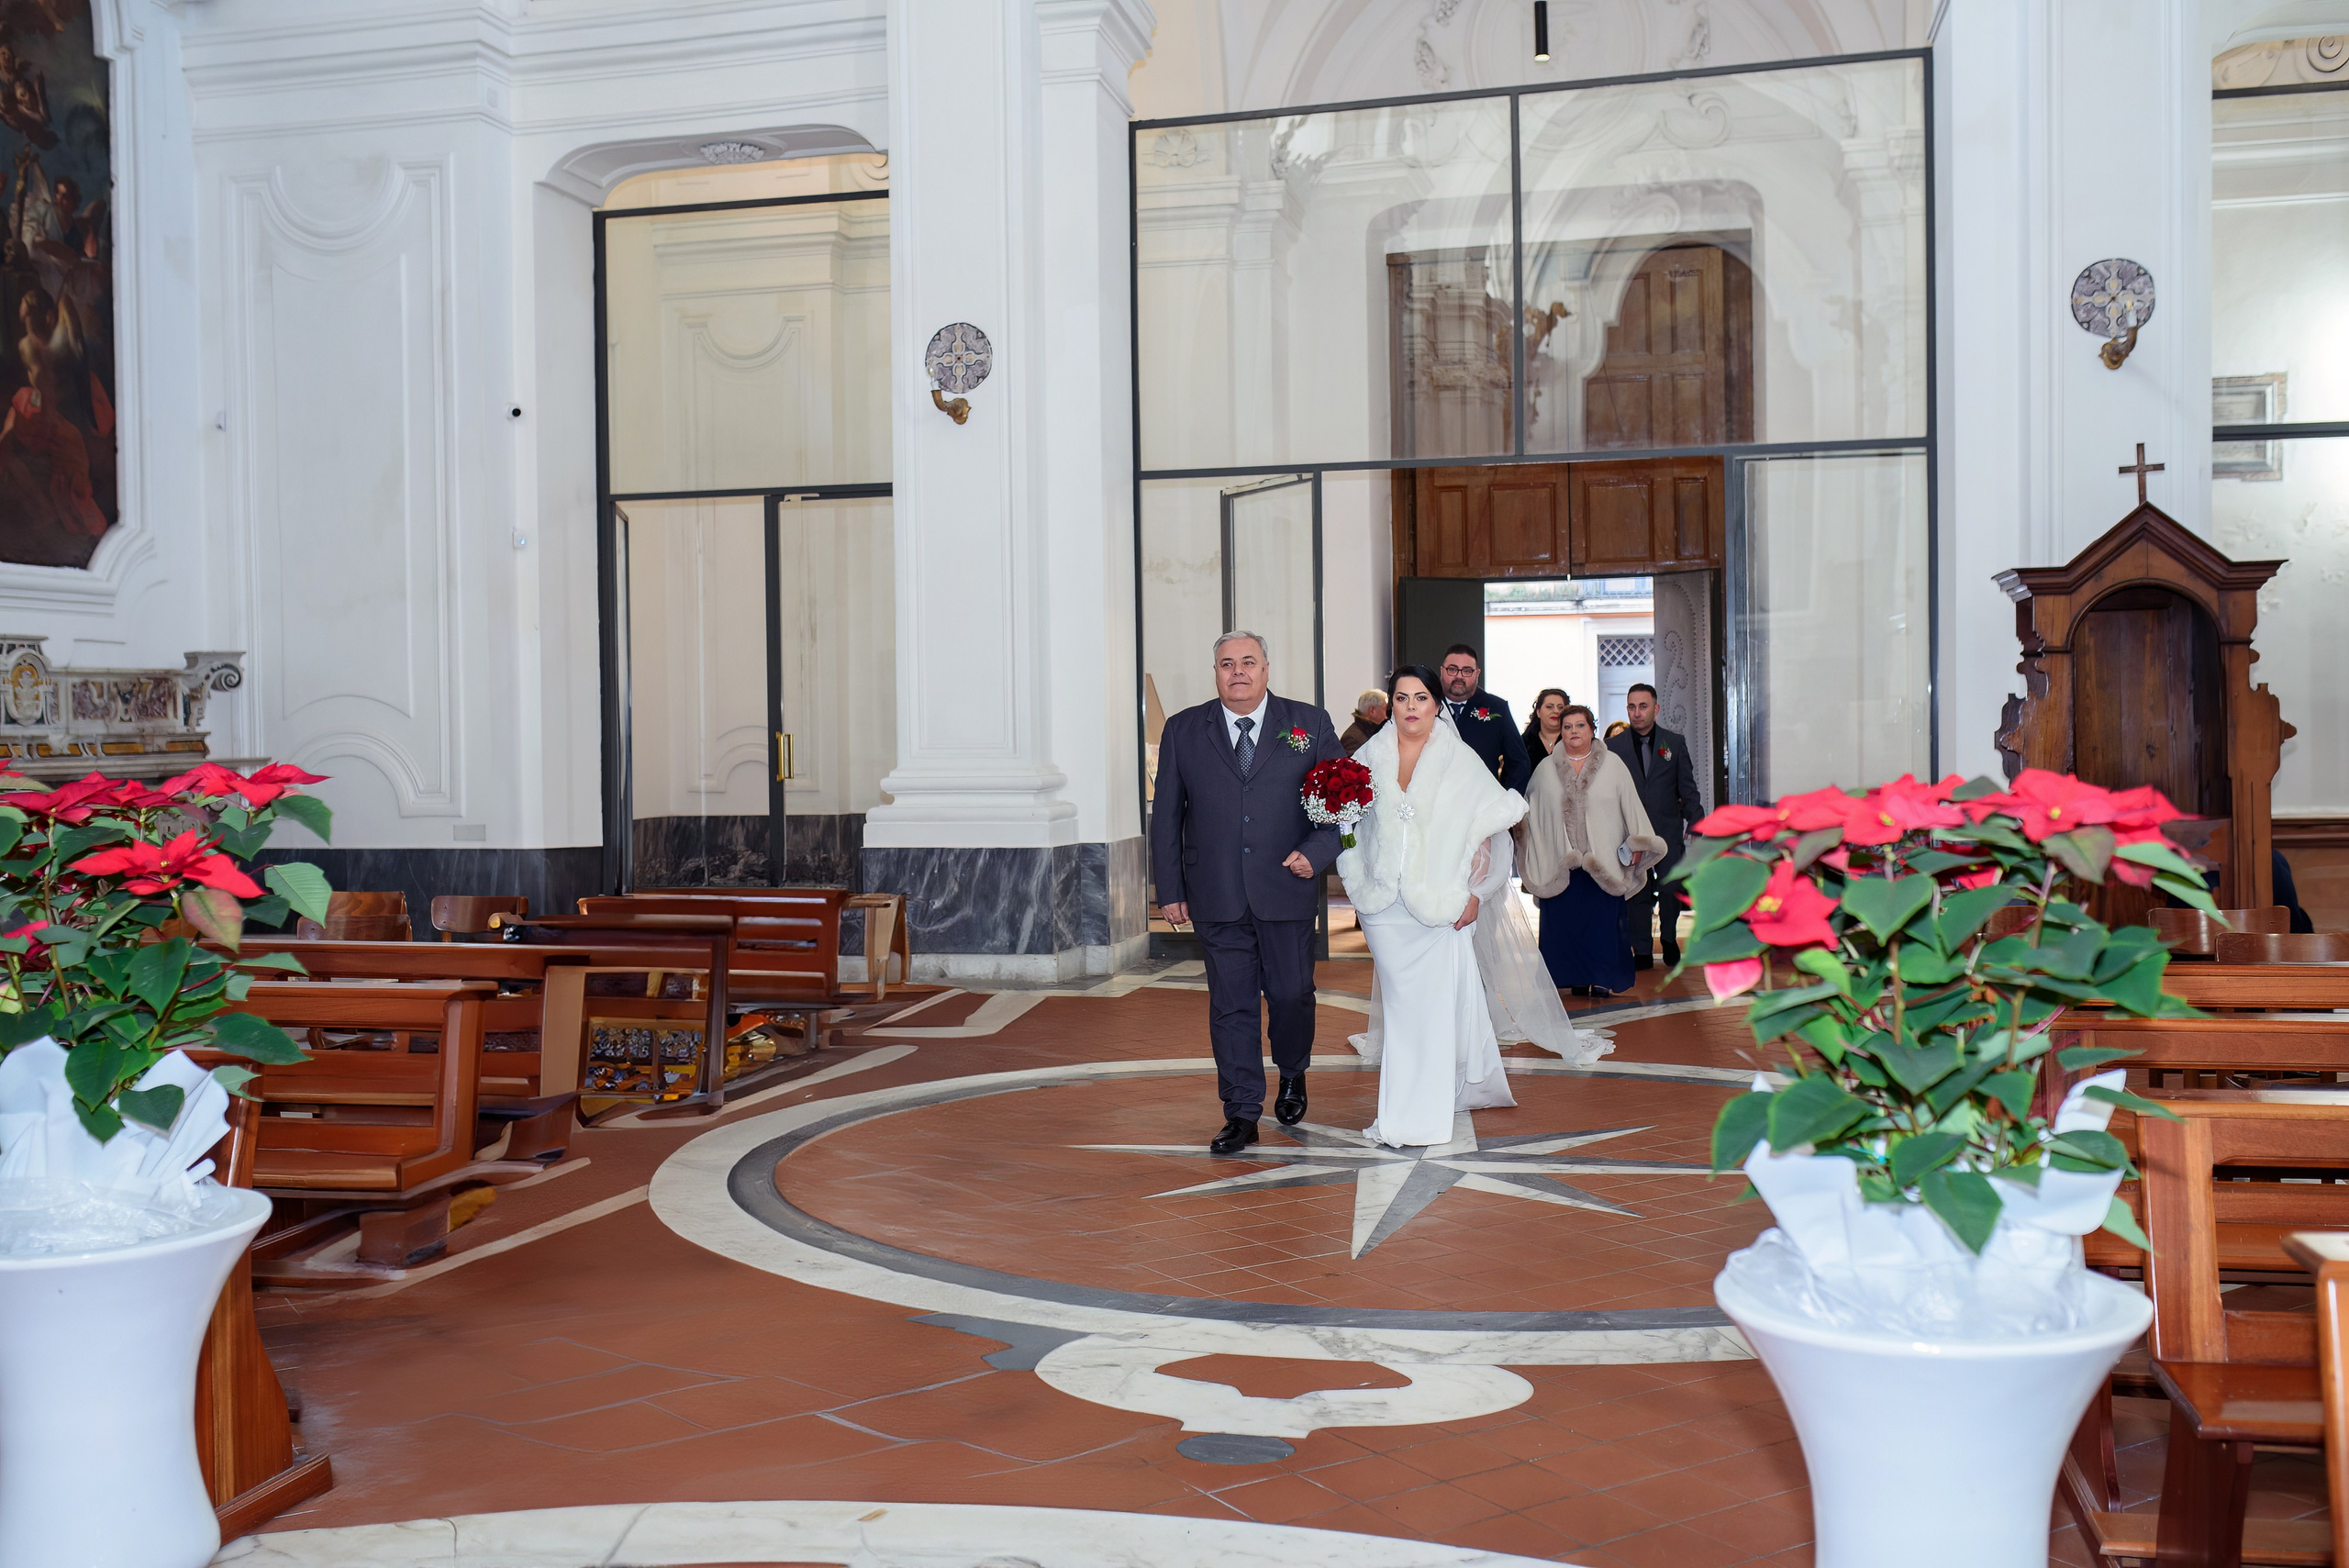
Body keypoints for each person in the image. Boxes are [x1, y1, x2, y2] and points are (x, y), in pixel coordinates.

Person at [1335, 669, 1608, 1147]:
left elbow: (1493, 831)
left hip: (1439, 906)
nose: (1411, 706)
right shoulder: (1367, 756)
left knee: (1429, 1012)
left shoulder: (1458, 759)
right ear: (1390, 705)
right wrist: (1354, 867)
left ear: (1436, 705)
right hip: (1383, 909)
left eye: (1421, 697)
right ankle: (1414, 1103)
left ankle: (1416, 1115)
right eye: (1402, 698)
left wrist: (1476, 893)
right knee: (1403, 1011)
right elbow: (1344, 819)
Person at [1150, 630, 1346, 1155]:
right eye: (1227, 664)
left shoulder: (1309, 723)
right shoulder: (1184, 729)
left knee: (1290, 994)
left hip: (1286, 885)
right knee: (1231, 1006)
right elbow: (1166, 816)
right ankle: (1240, 1112)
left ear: (1266, 669)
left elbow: (1341, 803)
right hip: (1215, 891)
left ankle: (1293, 1071)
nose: (1238, 671)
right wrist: (1169, 888)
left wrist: (1317, 852)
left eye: (1248, 662)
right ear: (1215, 672)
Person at [1520, 705, 1664, 997]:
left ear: (1592, 729)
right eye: (1567, 727)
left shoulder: (1613, 765)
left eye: (1580, 726)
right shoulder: (1545, 769)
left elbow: (1630, 804)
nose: (1573, 731)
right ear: (1561, 732)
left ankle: (1602, 978)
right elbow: (1532, 813)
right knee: (1566, 926)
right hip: (1562, 866)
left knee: (1603, 925)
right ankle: (1574, 976)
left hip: (1604, 862)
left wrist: (1637, 843)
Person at [1607, 683, 1707, 970]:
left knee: (1670, 887)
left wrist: (1696, 821)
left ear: (1656, 709)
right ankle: (1641, 949)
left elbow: (1687, 786)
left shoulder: (1673, 743)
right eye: (1632, 707)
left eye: (1643, 706)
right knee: (1637, 890)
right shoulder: (1614, 747)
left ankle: (1669, 938)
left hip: (1667, 830)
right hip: (1631, 833)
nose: (1637, 713)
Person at [1436, 644, 1531, 792]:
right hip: (1435, 797)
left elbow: (1519, 762)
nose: (1459, 676)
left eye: (1467, 671)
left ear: (1477, 674)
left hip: (1482, 798)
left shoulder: (1497, 707)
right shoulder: (1426, 704)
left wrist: (1507, 800)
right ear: (1442, 671)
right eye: (1453, 669)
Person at [1520, 688, 1571, 766]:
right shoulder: (1524, 743)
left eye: (1560, 707)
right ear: (1538, 712)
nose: (1556, 711)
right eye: (1549, 707)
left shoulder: (1574, 739)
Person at [1340, 688, 1387, 754]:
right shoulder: (1352, 739)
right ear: (1372, 710)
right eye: (1385, 709)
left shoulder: (1374, 733)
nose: (1387, 715)